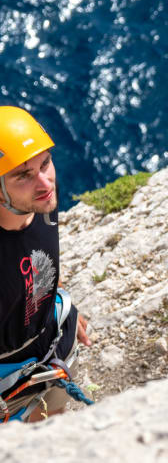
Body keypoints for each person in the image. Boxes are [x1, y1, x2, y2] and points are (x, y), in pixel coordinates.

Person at [0, 106, 91, 422]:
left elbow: (39, 255)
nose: (44, 182)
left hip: (52, 345)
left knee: (55, 420)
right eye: (23, 174)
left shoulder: (39, 204)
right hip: (10, 381)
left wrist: (54, 300)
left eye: (45, 163)